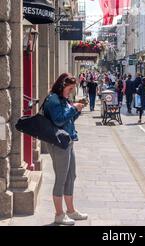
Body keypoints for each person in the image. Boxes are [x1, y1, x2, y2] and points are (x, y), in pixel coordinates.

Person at [43, 73, 87, 225]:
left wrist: (77, 111)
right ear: (62, 86)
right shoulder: (53, 99)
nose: (71, 92)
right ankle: (59, 214)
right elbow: (58, 120)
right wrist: (74, 108)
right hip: (58, 143)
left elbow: (68, 119)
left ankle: (70, 210)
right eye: (70, 88)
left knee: (71, 176)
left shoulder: (62, 98)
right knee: (61, 178)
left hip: (67, 140)